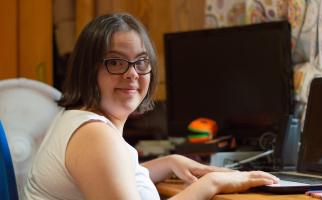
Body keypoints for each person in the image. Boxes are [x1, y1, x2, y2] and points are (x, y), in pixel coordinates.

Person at [24, 13, 279, 200]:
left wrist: (168, 162)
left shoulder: (77, 121)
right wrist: (212, 183)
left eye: (141, 62)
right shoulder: (94, 135)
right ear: (88, 70)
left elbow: (109, 177)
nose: (132, 73)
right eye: (115, 62)